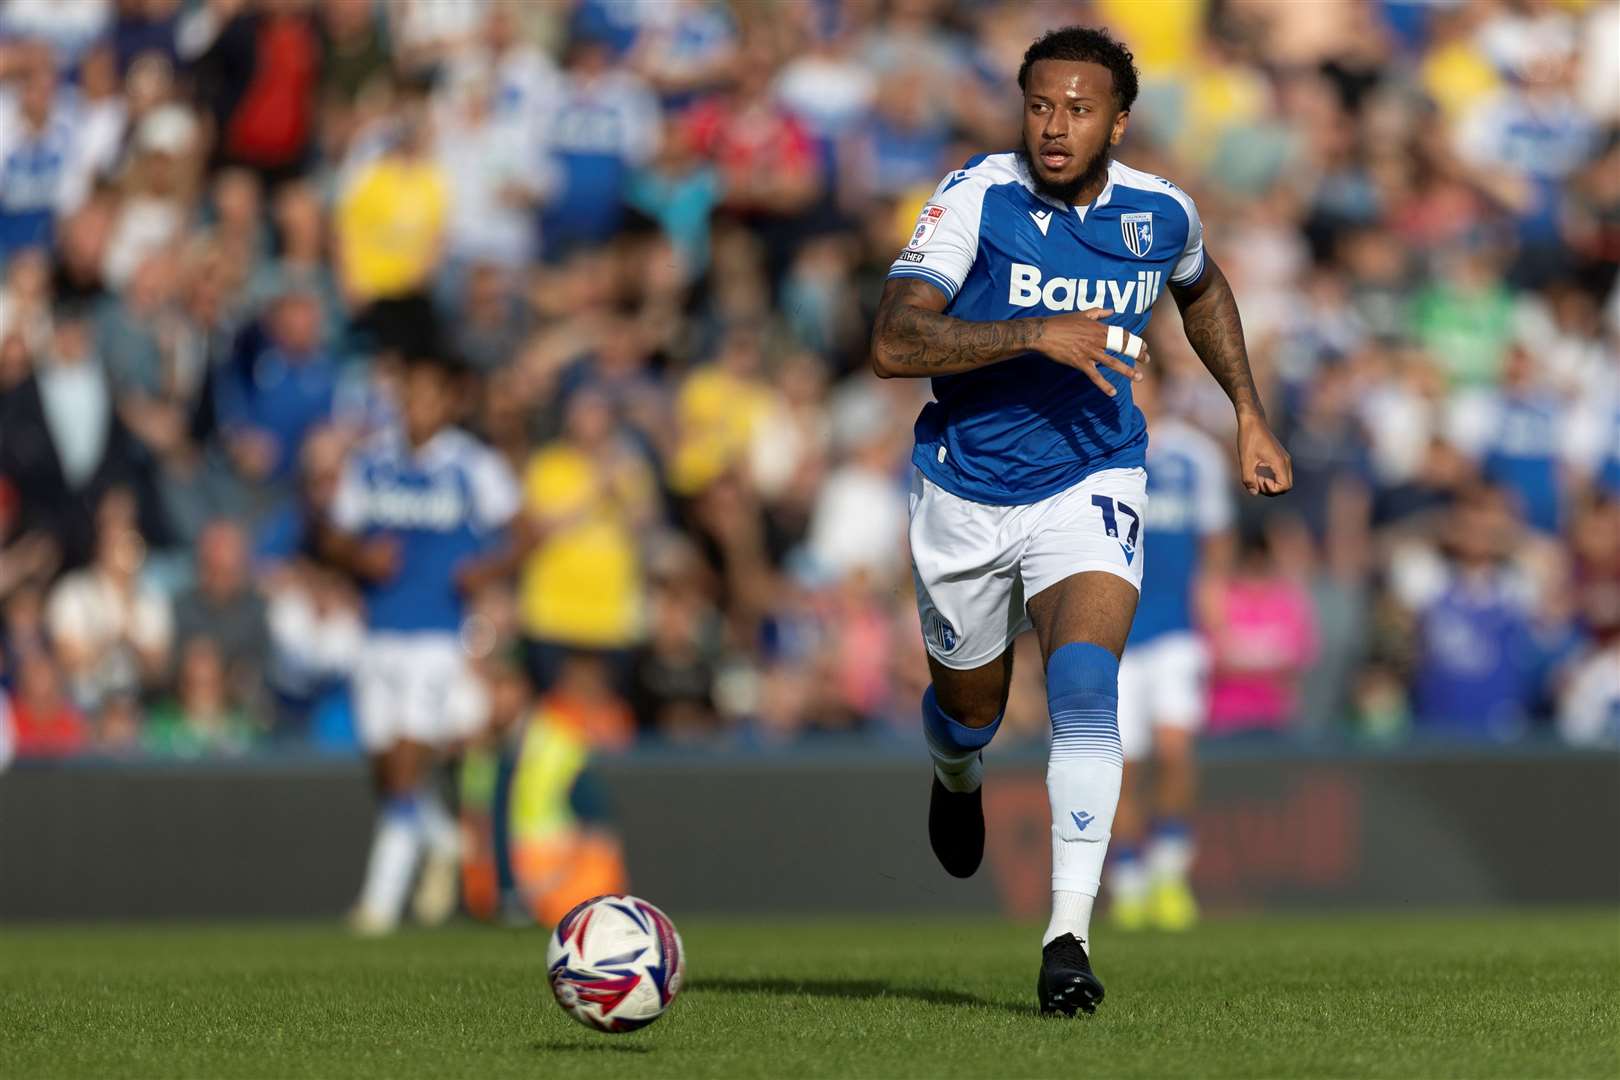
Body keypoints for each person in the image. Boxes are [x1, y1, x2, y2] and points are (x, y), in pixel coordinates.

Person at [867, 26, 1292, 1016]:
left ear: (1118, 120)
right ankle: (953, 769)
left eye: (1080, 109)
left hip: (1093, 477)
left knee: (1086, 682)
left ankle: (1068, 940)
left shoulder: (1159, 211)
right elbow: (892, 340)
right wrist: (1033, 333)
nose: (1056, 127)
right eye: (1041, 106)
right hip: (964, 489)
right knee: (972, 709)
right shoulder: (977, 197)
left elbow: (1204, 286)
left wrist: (1249, 412)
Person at [322, 346, 525, 936]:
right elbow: (333, 533)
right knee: (387, 769)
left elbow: (523, 532)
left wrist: (483, 573)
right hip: (378, 631)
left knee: (409, 758)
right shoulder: (372, 463)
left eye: (428, 395)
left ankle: (378, 907)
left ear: (450, 401)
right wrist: (358, 555)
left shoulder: (474, 465)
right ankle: (441, 837)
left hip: (437, 633)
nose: (415, 407)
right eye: (408, 395)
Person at [1109, 369, 1233, 933]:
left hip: (1176, 629)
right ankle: (1129, 880)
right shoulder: (1095, 445)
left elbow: (1217, 538)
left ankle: (1170, 869)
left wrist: (1215, 603)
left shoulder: (1193, 456)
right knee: (1124, 766)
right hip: (1113, 631)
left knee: (1176, 749)